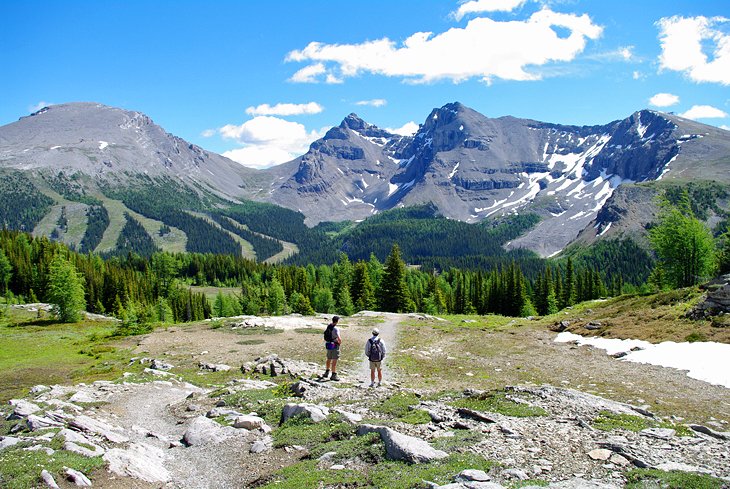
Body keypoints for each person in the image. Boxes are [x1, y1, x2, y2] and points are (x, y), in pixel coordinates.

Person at [322, 315, 341, 381]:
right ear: (337, 321)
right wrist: (339, 342)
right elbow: (339, 338)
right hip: (334, 345)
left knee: (329, 358)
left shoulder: (329, 326)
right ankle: (333, 374)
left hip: (328, 344)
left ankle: (327, 372)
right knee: (334, 359)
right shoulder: (336, 328)